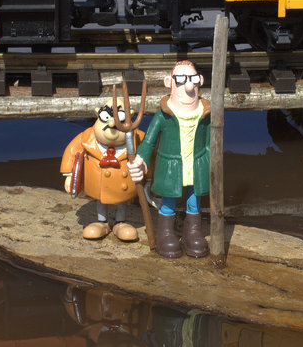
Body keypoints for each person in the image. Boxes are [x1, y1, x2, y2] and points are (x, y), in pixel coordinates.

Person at [128, 60, 211, 258]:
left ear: (200, 81)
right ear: (170, 82)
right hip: (171, 166)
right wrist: (141, 160)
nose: (188, 86)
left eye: (192, 79)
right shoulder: (164, 115)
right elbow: (149, 141)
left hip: (197, 163)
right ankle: (165, 234)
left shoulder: (205, 113)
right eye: (181, 80)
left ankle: (193, 232)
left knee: (194, 199)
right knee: (168, 200)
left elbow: (211, 141)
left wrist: (212, 161)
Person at [61, 102, 144, 242]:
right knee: (101, 199)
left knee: (122, 201)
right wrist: (70, 176)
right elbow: (71, 152)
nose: (111, 123)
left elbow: (149, 156)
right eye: (106, 117)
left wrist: (147, 176)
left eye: (120, 118)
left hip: (124, 185)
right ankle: (102, 221)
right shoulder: (86, 138)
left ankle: (120, 222)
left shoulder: (138, 138)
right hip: (97, 183)